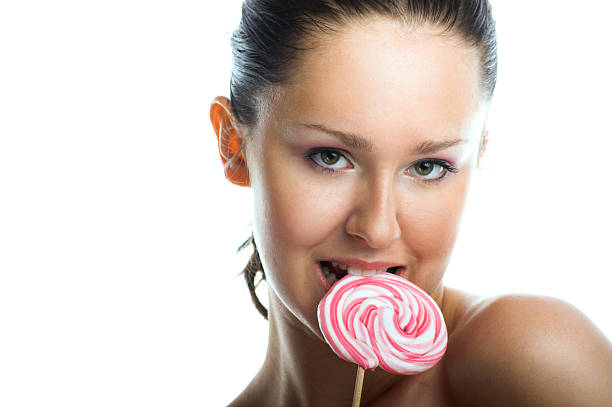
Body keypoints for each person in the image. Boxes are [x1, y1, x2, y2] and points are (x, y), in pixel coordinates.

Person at [210, 1, 612, 405]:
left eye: (427, 167)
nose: (378, 229)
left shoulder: (533, 360)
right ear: (235, 147)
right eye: (330, 157)